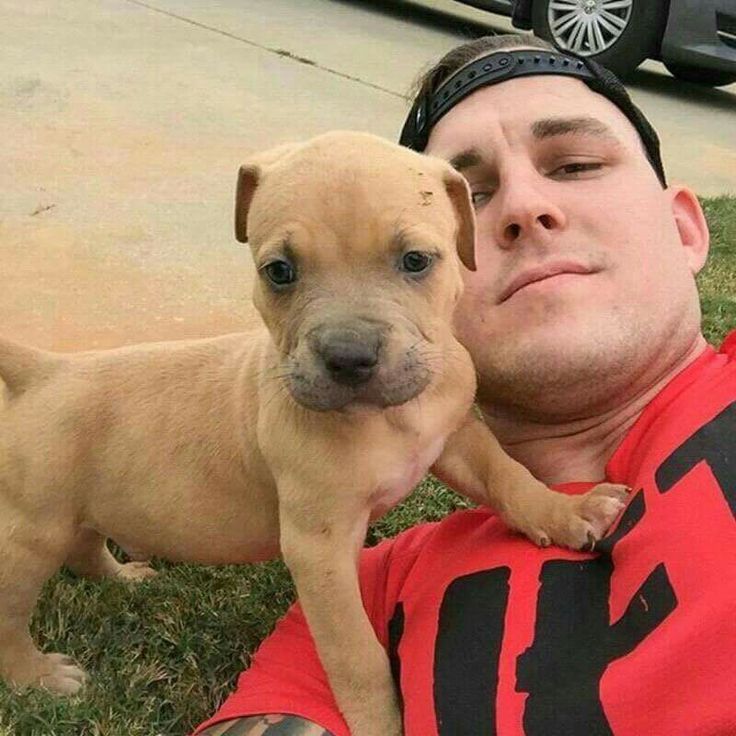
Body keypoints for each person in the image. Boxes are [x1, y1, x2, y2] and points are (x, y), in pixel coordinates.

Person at [193, 33, 736, 736]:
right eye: (472, 196)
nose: (522, 207)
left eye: (574, 164)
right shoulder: (364, 587)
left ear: (686, 227)